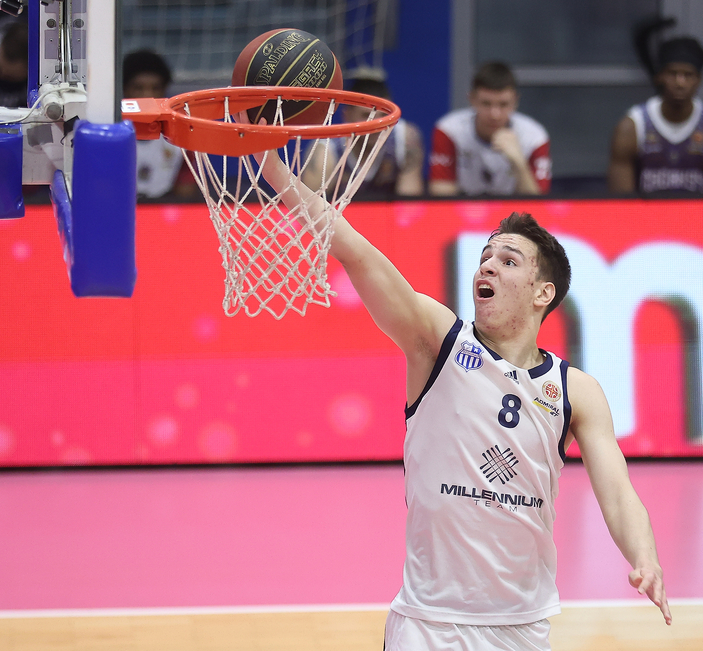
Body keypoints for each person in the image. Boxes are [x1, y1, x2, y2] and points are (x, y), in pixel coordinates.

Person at [251, 147, 671, 648]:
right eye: (485, 258)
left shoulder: (575, 390)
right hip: (429, 625)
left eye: (508, 261)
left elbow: (618, 492)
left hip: (521, 627)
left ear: (543, 293)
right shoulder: (440, 341)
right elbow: (357, 253)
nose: (487, 268)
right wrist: (270, 165)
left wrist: (645, 557)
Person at [609, 36, 703, 194]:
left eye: (688, 75)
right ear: (659, 77)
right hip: (647, 210)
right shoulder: (632, 128)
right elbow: (622, 201)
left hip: (698, 211)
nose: (680, 83)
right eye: (672, 73)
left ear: (698, 80)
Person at [429, 61, 551, 196]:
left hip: (513, 209)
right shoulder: (449, 130)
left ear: (515, 102)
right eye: (486, 104)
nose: (494, 115)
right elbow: (441, 196)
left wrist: (519, 162)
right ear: (472, 99)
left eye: (503, 104)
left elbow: (540, 204)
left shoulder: (534, 137)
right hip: (464, 207)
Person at [301, 73, 424, 198]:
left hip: (391, 211)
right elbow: (308, 206)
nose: (377, 125)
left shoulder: (405, 139)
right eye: (367, 116)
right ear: (347, 115)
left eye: (383, 116)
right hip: (336, 211)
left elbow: (409, 204)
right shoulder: (326, 152)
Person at [122, 49, 197, 199]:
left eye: (155, 88)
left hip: (163, 208)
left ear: (164, 90)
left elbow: (186, 194)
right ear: (124, 89)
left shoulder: (180, 139)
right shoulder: (109, 136)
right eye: (138, 88)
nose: (147, 95)